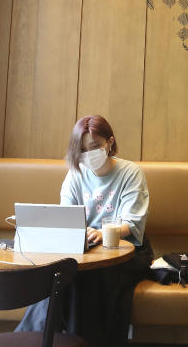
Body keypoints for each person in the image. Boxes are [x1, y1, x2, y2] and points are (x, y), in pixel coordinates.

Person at [16, 115, 153, 346]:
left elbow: (133, 224)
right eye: (83, 150)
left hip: (126, 251)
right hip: (85, 251)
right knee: (58, 276)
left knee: (84, 278)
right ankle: (34, 340)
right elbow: (66, 219)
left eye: (95, 147)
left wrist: (104, 233)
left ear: (110, 142)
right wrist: (84, 234)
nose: (89, 155)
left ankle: (74, 341)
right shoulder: (76, 174)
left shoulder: (131, 173)